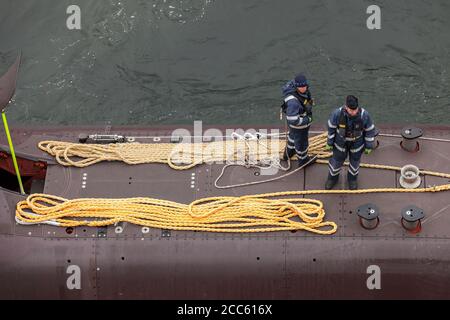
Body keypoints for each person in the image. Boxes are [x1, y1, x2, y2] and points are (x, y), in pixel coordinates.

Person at [325, 95, 376, 190]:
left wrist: (369, 146)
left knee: (355, 162)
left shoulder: (364, 115)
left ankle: (352, 179)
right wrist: (329, 142)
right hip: (340, 143)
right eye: (351, 110)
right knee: (336, 162)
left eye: (355, 110)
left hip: (357, 143)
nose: (353, 112)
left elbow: (370, 130)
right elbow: (331, 129)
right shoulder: (337, 114)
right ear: (346, 107)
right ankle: (332, 178)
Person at [281, 73, 315, 166]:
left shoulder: (296, 88)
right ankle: (303, 160)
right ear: (296, 86)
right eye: (301, 87)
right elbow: (293, 120)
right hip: (299, 126)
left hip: (294, 127)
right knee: (301, 142)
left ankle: (288, 153)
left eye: (305, 86)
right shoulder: (293, 102)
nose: (304, 88)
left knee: (292, 137)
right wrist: (307, 120)